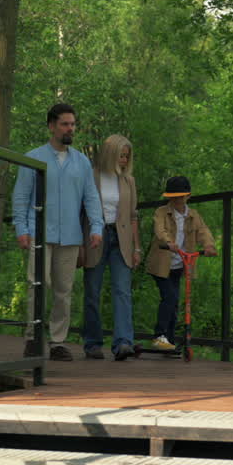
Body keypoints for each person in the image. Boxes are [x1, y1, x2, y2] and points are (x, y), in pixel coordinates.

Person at [12, 103, 103, 362]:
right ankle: (32, 338)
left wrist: (96, 227)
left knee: (64, 290)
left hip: (71, 235)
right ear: (51, 126)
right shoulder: (33, 157)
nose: (70, 129)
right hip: (38, 233)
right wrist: (21, 228)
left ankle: (58, 342)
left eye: (72, 124)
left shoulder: (82, 162)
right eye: (64, 124)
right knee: (37, 286)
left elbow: (91, 197)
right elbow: (20, 196)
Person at [80, 134, 141, 361]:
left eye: (127, 157)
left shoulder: (129, 181)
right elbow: (81, 213)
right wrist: (80, 245)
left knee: (123, 291)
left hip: (121, 239)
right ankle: (93, 343)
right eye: (121, 156)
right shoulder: (90, 176)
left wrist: (137, 248)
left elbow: (134, 216)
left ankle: (124, 343)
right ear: (110, 154)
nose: (124, 160)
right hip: (95, 237)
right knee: (92, 292)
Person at [145, 175, 217, 351]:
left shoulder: (193, 215)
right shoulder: (162, 212)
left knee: (175, 302)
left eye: (181, 196)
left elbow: (203, 231)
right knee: (169, 297)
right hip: (161, 264)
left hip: (180, 264)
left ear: (188, 196)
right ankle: (159, 335)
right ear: (169, 198)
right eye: (174, 197)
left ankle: (169, 341)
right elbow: (159, 229)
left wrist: (208, 246)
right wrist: (168, 242)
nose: (177, 200)